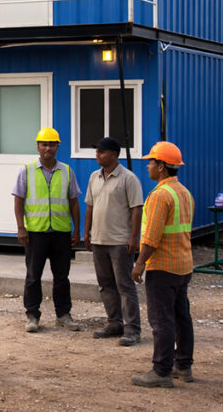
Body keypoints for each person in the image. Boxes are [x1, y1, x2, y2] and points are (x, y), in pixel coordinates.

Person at [130, 141, 195, 388]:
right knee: (181, 317)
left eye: (151, 161)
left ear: (162, 166)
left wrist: (139, 263)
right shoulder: (184, 193)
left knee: (161, 320)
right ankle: (183, 365)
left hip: (163, 267)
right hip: (183, 265)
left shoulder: (160, 195)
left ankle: (161, 371)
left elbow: (151, 238)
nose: (147, 165)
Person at [13, 127, 83, 333]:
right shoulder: (26, 171)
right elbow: (18, 200)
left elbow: (74, 203)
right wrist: (20, 228)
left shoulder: (67, 171)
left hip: (61, 233)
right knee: (33, 276)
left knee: (62, 277)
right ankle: (32, 315)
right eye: (44, 144)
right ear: (37, 146)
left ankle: (63, 315)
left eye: (52, 144)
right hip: (35, 233)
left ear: (57, 146)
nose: (48, 148)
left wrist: (76, 231)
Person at [83, 137, 144, 346]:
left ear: (114, 155)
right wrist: (86, 232)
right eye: (97, 151)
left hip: (120, 241)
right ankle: (114, 323)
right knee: (105, 285)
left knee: (124, 285)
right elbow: (90, 206)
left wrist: (133, 237)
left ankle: (132, 329)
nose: (97, 155)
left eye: (102, 151)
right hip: (99, 239)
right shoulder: (94, 177)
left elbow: (137, 209)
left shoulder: (128, 178)